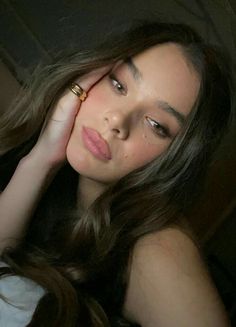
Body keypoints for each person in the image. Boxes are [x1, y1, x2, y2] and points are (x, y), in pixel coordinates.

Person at [0, 21, 232, 326]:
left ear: (176, 161)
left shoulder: (158, 248)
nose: (118, 119)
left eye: (156, 125)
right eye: (118, 84)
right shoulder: (57, 176)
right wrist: (43, 158)